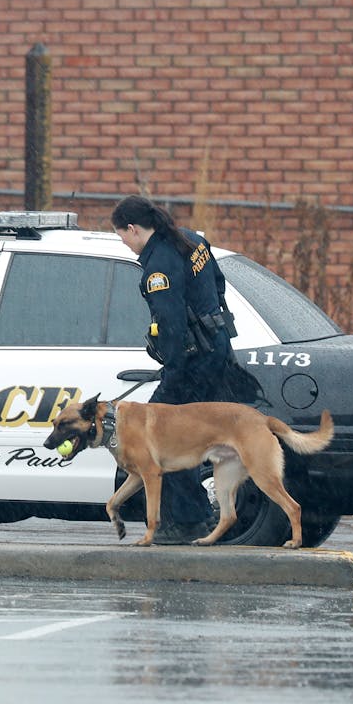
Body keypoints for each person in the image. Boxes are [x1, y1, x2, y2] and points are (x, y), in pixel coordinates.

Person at [111, 194, 263, 544]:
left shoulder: (159, 265)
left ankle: (188, 522)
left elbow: (171, 322)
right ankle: (203, 516)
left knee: (166, 440)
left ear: (133, 229)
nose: (125, 244)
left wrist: (172, 365)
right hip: (218, 350)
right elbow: (220, 284)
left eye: (122, 237)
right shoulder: (192, 240)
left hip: (192, 362)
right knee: (201, 438)